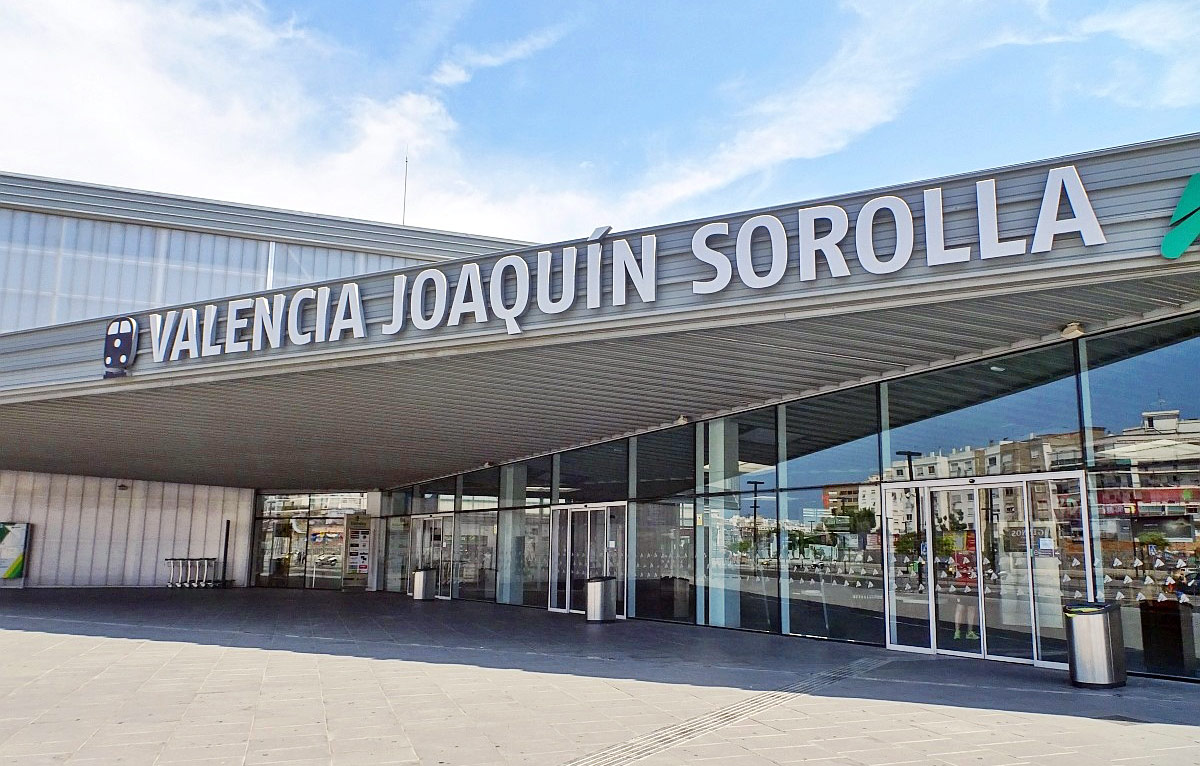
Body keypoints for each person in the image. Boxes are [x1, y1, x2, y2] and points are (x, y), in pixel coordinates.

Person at [951, 550, 979, 640]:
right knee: (960, 608)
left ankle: (969, 631)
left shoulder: (973, 555)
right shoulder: (957, 555)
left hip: (971, 583)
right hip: (962, 584)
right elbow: (953, 568)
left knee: (971, 608)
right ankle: (958, 631)